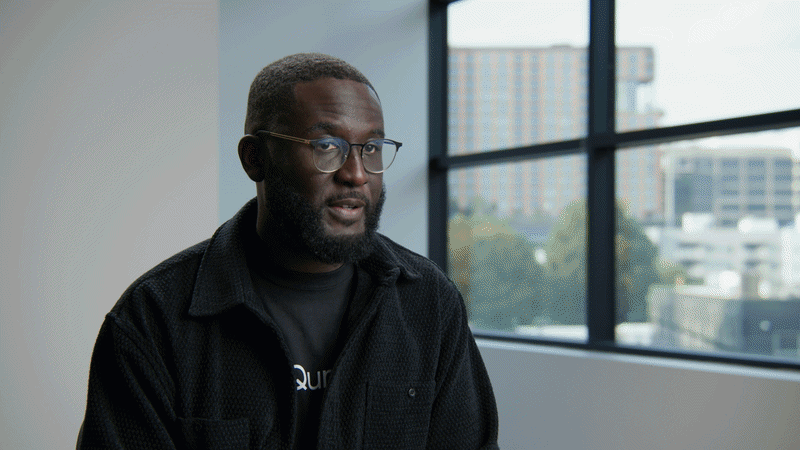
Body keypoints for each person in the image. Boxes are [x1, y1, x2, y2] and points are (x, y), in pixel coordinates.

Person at [77, 53, 499, 449]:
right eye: (326, 147)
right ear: (255, 159)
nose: (355, 174)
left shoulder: (429, 304)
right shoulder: (154, 319)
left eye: (371, 148)